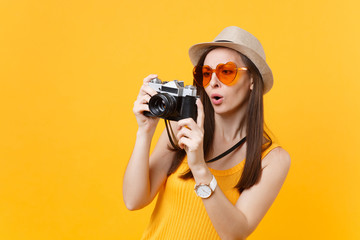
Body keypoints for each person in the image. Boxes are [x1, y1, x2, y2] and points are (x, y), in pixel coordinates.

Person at [123, 26, 291, 240]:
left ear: (251, 81)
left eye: (226, 72)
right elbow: (133, 200)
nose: (213, 82)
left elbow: (234, 233)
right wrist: (145, 131)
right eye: (206, 73)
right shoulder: (181, 128)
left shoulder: (271, 159)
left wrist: (200, 167)